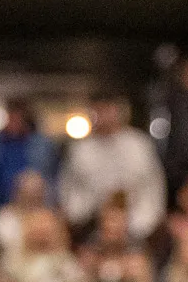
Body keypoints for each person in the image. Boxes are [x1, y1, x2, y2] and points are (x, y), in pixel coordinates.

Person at [60, 96, 167, 242]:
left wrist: (146, 222)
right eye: (99, 109)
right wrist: (79, 218)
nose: (104, 115)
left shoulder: (139, 144)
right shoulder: (81, 149)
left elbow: (154, 186)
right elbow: (70, 188)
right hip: (91, 226)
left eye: (108, 109)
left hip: (139, 225)